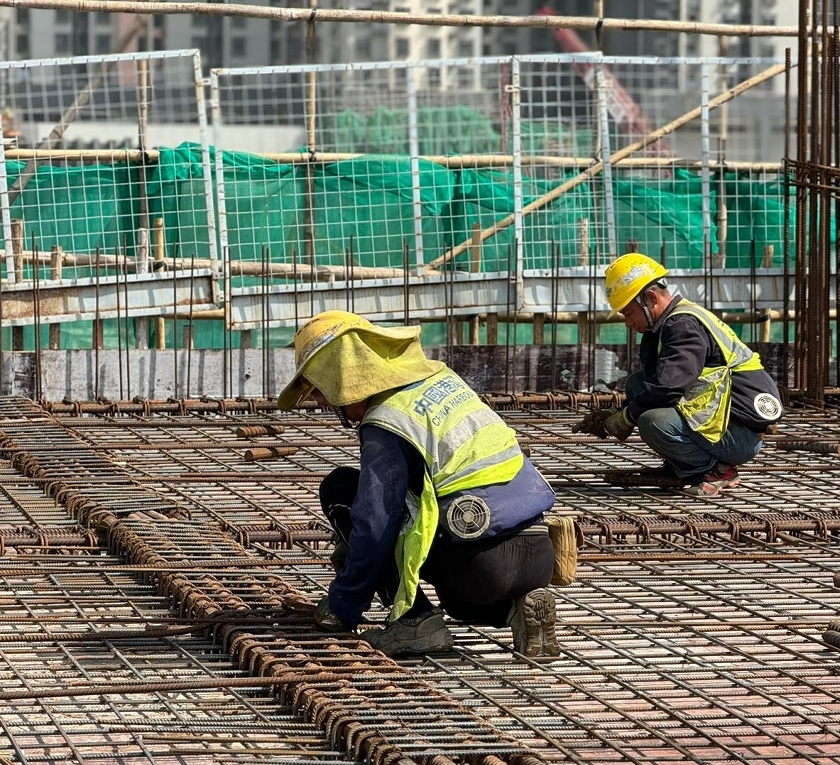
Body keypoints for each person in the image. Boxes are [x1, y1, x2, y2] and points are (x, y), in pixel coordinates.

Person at [277, 310, 561, 660]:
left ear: (343, 378)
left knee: (343, 492)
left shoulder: (388, 421)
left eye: (321, 392)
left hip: (480, 564)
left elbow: (375, 527)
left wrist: (344, 602)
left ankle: (415, 621)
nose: (323, 404)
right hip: (538, 555)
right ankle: (518, 608)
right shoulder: (439, 377)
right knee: (457, 602)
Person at [573, 252, 783, 496]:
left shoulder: (682, 326)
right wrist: (617, 412)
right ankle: (683, 465)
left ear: (651, 298)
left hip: (738, 434)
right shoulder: (663, 327)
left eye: (628, 313)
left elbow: (667, 389)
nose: (627, 322)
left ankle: (715, 470)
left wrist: (625, 418)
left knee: (653, 421)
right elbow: (656, 385)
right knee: (637, 384)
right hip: (721, 421)